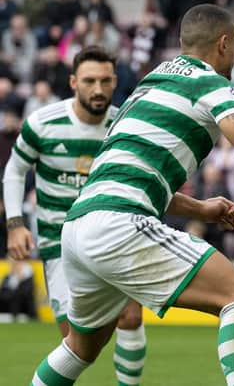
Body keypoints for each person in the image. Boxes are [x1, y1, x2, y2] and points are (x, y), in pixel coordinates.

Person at [26, 5, 234, 386]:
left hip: (78, 226)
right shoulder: (212, 84)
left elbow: (136, 177)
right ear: (223, 44)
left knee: (81, 347)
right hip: (118, 224)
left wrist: (201, 208)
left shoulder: (150, 82)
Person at [3, 46, 149, 386]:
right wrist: (14, 225)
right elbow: (14, 170)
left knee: (129, 316)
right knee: (77, 343)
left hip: (113, 236)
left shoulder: (125, 126)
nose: (97, 89)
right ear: (73, 82)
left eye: (105, 81)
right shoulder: (43, 123)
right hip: (59, 243)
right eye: (89, 81)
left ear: (115, 82)